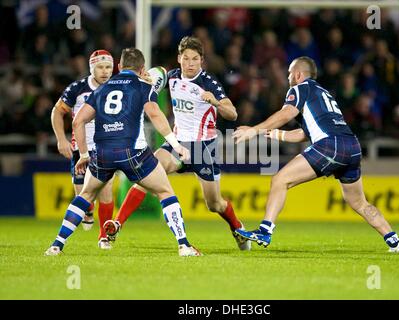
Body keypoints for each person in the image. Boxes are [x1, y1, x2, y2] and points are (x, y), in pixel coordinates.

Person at [232, 56, 399, 253]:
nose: (288, 77)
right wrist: (274, 134)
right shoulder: (323, 93)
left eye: (290, 73)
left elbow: (285, 114)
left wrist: (253, 130)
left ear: (298, 75)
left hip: (331, 145)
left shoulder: (299, 89)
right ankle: (395, 242)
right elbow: (306, 133)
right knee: (358, 201)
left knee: (280, 180)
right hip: (351, 145)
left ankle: (265, 231)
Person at [45, 48, 201, 257]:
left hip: (101, 154)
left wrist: (83, 154)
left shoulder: (101, 88)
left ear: (118, 67)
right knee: (165, 192)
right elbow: (154, 113)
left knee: (86, 195)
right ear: (142, 68)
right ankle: (184, 246)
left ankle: (57, 245)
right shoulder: (143, 86)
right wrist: (175, 144)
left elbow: (77, 121)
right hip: (133, 153)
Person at [103, 36, 251, 251]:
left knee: (214, 204)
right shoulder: (171, 77)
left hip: (203, 149)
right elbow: (152, 80)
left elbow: (233, 114)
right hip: (177, 143)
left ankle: (237, 227)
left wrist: (215, 102)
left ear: (202, 60)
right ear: (179, 59)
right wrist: (145, 79)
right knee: (148, 174)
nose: (191, 63)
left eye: (195, 59)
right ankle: (117, 224)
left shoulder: (208, 82)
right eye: (186, 58)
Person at [51, 50, 115, 249]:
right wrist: (61, 139)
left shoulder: (117, 87)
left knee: (106, 192)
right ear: (91, 68)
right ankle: (88, 211)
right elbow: (57, 111)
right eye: (100, 67)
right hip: (81, 150)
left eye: (108, 67)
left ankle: (103, 236)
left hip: (105, 149)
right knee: (83, 198)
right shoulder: (77, 88)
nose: (105, 72)